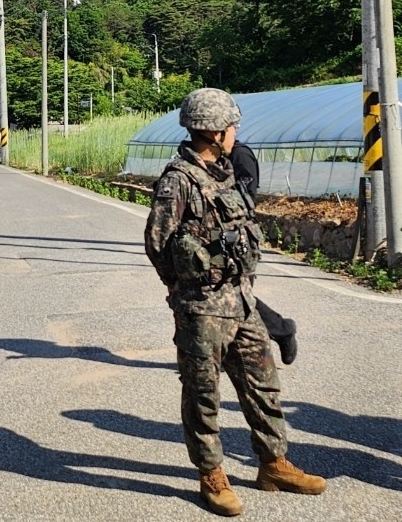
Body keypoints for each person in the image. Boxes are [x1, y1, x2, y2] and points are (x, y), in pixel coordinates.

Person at [144, 88, 325, 517]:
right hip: (202, 308)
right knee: (204, 394)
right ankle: (212, 474)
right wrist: (184, 293)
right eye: (231, 127)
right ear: (214, 131)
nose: (235, 132)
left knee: (263, 384)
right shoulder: (178, 180)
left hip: (242, 301)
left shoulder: (225, 171)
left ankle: (273, 464)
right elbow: (157, 244)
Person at [230, 139, 298, 365]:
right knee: (225, 296)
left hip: (237, 238)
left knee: (237, 296)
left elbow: (246, 199)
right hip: (216, 238)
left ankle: (282, 330)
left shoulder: (240, 155)